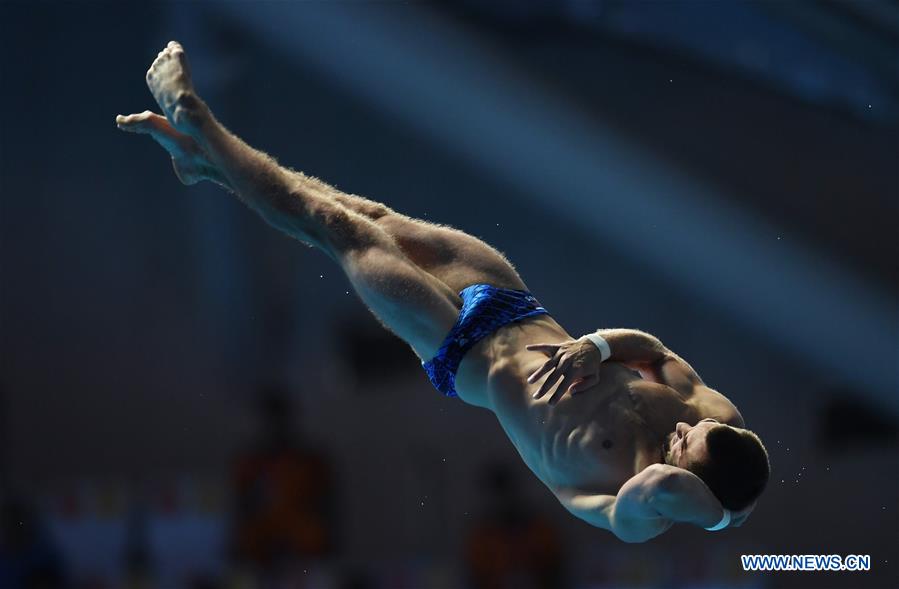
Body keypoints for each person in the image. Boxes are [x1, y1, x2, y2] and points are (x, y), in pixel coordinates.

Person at [117, 42, 769, 543]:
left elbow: (669, 487)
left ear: (693, 484)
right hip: (513, 300)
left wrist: (720, 522)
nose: (686, 423)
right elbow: (651, 349)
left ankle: (197, 122)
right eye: (700, 424)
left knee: (333, 228)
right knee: (356, 207)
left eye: (689, 441)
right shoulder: (714, 418)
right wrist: (597, 346)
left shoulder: (631, 505)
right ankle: (205, 165)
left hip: (460, 351)